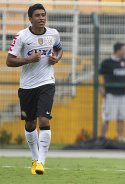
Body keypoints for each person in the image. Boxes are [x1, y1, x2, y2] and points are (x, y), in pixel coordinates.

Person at [6, 4, 63, 175]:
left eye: (43, 15)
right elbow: (9, 61)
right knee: (30, 124)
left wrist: (56, 58)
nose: (41, 18)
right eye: (37, 15)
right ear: (30, 18)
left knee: (44, 120)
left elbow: (59, 49)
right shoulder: (22, 36)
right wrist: (28, 60)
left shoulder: (53, 33)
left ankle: (41, 163)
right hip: (27, 86)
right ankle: (34, 158)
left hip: (47, 83)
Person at [99, 42, 125, 142]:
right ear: (118, 50)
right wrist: (101, 87)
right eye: (124, 49)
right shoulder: (106, 62)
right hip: (110, 94)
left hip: (123, 94)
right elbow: (98, 75)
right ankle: (102, 138)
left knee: (121, 118)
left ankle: (120, 138)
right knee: (106, 117)